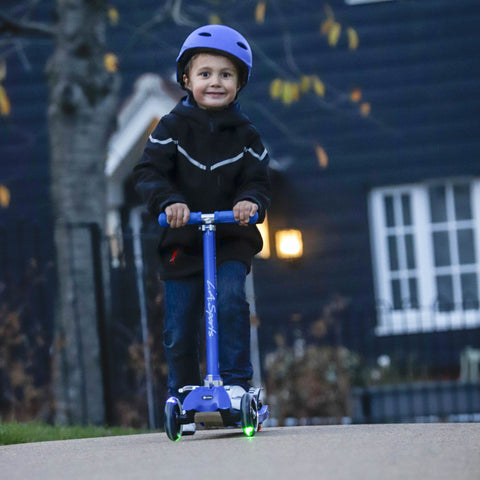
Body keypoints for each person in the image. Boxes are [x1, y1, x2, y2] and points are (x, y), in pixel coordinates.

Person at [132, 25, 271, 418]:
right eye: (205, 74)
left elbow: (259, 180)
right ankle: (182, 394)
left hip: (229, 238)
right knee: (178, 327)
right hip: (182, 241)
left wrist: (249, 202)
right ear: (186, 79)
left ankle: (237, 388)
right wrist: (170, 202)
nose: (215, 82)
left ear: (239, 83)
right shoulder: (170, 128)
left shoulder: (247, 135)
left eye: (226, 75)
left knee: (229, 301)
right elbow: (148, 173)